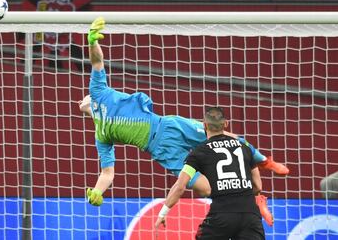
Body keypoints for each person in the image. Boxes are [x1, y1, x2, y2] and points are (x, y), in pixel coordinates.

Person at [80, 17, 289, 226]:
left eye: (84, 99)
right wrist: (98, 192)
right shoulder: (102, 135)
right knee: (205, 188)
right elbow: (107, 173)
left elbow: (97, 61)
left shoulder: (98, 91)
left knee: (226, 139)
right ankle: (253, 199)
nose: (83, 100)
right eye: (82, 103)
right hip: (162, 151)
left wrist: (92, 42)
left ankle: (265, 161)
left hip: (169, 126)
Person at [155, 107, 265, 239]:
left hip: (221, 216)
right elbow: (258, 186)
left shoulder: (199, 152)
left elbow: (180, 186)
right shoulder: (245, 148)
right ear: (226, 124)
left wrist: (163, 213)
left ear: (204, 125)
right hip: (250, 216)